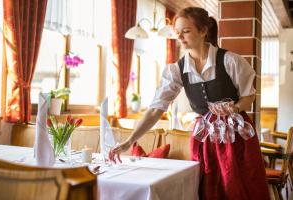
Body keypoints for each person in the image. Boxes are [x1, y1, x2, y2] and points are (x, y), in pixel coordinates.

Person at [109, 7, 270, 200]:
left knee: (239, 189)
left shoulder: (230, 61)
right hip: (204, 140)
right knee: (206, 191)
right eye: (178, 33)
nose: (181, 37)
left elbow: (248, 97)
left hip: (236, 137)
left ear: (203, 31)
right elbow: (155, 111)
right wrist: (128, 141)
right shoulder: (176, 70)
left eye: (186, 31)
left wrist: (234, 108)